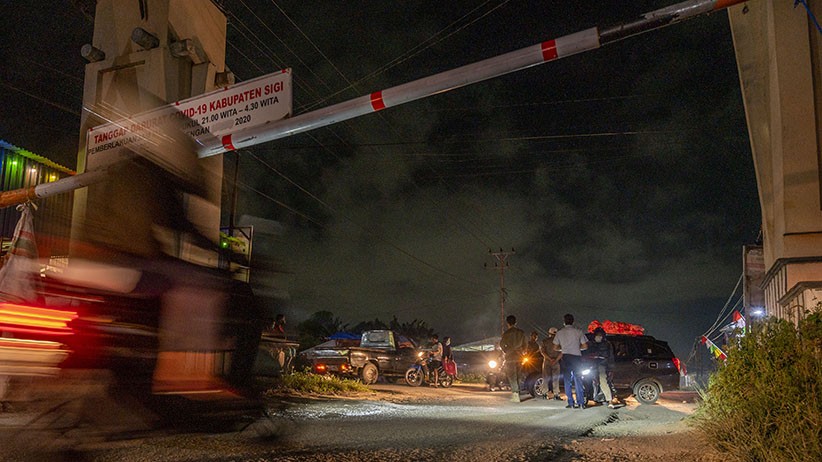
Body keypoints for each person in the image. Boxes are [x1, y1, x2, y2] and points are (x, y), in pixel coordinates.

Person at [553, 313, 589, 409]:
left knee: (567, 381)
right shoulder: (579, 332)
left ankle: (571, 403)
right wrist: (577, 347)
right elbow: (585, 346)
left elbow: (555, 347)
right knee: (578, 380)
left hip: (566, 358)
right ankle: (581, 403)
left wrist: (564, 348)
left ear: (564, 322)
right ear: (573, 321)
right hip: (577, 358)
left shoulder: (560, 333)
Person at [586, 327, 620, 408]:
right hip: (591, 366)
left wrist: (611, 369)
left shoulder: (607, 344)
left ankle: (609, 400)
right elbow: (586, 353)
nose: (598, 337)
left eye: (600, 335)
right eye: (597, 335)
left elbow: (611, 357)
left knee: (603, 382)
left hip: (602, 365)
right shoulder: (591, 344)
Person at [500, 315, 526, 402]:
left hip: (510, 357)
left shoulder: (506, 334)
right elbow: (525, 345)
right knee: (518, 375)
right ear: (516, 322)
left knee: (512, 376)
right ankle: (518, 393)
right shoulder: (521, 332)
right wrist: (523, 351)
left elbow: (502, 345)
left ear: (508, 323)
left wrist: (506, 350)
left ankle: (515, 394)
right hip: (520, 357)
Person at [539, 327, 563, 400]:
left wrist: (549, 359)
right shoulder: (559, 342)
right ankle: (556, 394)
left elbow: (542, 352)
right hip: (556, 362)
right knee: (556, 378)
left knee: (546, 378)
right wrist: (555, 360)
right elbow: (562, 352)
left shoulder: (545, 341)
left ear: (549, 333)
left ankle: (544, 393)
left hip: (547, 361)